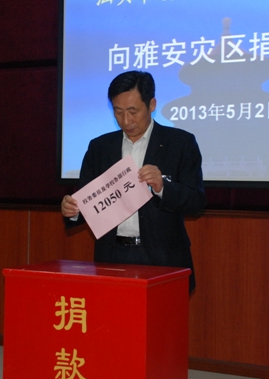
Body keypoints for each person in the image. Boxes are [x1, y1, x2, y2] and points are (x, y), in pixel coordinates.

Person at [61, 70, 206, 292]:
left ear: (152, 104)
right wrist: (72, 210)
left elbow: (196, 202)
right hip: (113, 255)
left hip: (163, 258)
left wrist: (163, 188)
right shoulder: (100, 147)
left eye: (133, 111)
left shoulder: (180, 143)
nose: (126, 121)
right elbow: (86, 200)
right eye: (118, 112)